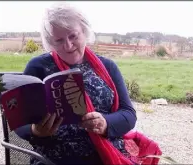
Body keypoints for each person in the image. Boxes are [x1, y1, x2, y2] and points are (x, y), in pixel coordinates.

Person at [15, 2, 138, 165]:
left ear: (84, 31)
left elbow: (128, 114)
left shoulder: (108, 66)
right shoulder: (38, 67)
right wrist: (35, 131)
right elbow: (18, 122)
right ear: (50, 42)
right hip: (53, 159)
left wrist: (105, 123)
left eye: (73, 36)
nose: (68, 46)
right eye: (59, 40)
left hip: (105, 155)